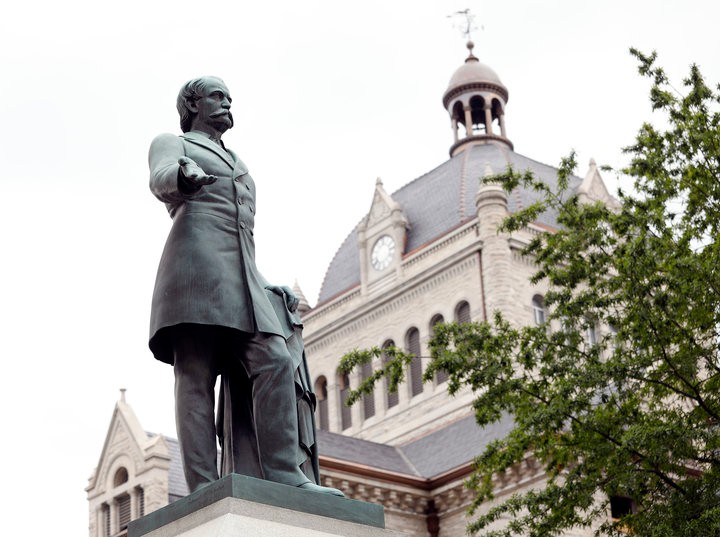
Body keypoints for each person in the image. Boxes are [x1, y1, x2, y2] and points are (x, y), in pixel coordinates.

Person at [147, 76, 342, 496]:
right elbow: (161, 176)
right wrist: (183, 175)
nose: (227, 103)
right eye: (217, 96)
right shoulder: (174, 143)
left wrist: (266, 284)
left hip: (243, 281)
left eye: (229, 98)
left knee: (273, 360)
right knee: (196, 375)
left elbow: (239, 236)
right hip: (192, 273)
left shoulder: (238, 160)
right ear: (193, 105)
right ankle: (203, 486)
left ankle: (285, 473)